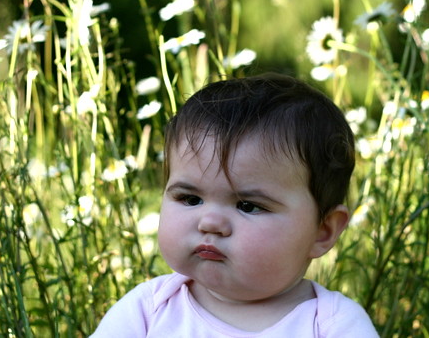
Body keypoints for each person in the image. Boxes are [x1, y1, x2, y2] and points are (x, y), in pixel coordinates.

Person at [91, 73, 379, 337]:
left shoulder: (333, 325)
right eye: (190, 199)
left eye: (248, 205)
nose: (210, 222)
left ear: (322, 231)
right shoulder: (147, 312)